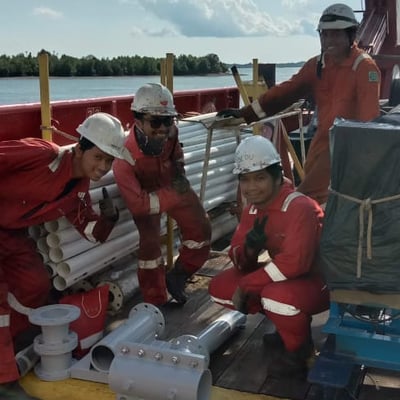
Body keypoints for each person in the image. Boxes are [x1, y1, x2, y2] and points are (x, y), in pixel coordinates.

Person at [0, 112, 134, 399]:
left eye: (109, 161)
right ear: (81, 146)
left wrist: (108, 220)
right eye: (98, 157)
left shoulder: (80, 191)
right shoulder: (41, 154)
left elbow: (89, 230)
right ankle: (4, 381)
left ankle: (12, 346)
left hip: (10, 234)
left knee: (35, 285)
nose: (103, 167)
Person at [217, 3, 381, 206]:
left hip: (347, 152)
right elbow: (287, 91)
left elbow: (369, 124)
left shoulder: (364, 67)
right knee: (312, 202)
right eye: (325, 34)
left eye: (336, 34)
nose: (330, 40)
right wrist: (246, 114)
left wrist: (365, 169)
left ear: (350, 35)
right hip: (321, 148)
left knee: (311, 201)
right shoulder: (318, 65)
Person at [208, 135, 330, 378]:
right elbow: (237, 255)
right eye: (245, 179)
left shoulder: (300, 207)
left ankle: (300, 351)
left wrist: (247, 285)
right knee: (219, 287)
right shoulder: (253, 207)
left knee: (276, 296)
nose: (251, 187)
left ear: (277, 177)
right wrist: (250, 251)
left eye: (260, 178)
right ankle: (288, 328)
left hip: (322, 283)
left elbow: (295, 264)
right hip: (291, 281)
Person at [113, 83, 211, 306]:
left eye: (168, 120)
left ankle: (178, 277)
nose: (162, 129)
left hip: (173, 185)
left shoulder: (172, 133)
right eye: (155, 122)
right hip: (147, 197)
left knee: (202, 229)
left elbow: (176, 154)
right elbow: (138, 205)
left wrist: (179, 171)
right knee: (150, 248)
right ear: (138, 120)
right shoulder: (124, 158)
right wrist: (173, 193)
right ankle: (155, 302)